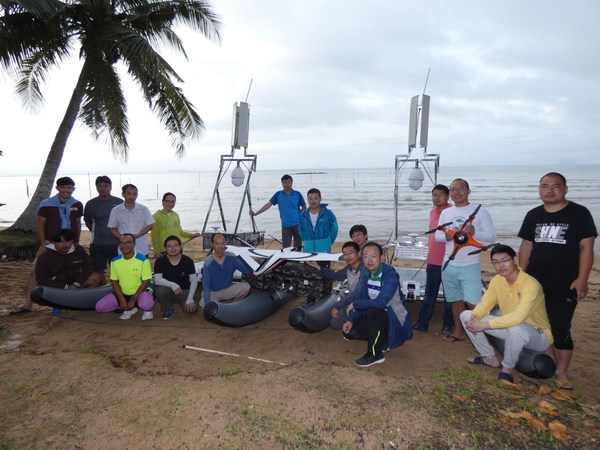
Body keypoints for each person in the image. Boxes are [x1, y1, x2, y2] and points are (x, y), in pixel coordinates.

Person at [518, 172, 597, 390]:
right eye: (544, 186)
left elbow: (586, 248)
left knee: (561, 327)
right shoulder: (533, 215)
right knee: (539, 325)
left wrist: (582, 279)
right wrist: (520, 278)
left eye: (555, 186)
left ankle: (562, 372)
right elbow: (526, 247)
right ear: (539, 189)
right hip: (535, 282)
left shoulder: (579, 214)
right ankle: (547, 360)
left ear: (565, 189)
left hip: (565, 283)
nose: (549, 190)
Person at [459, 245, 553, 384]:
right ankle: (488, 357)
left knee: (516, 328)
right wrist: (475, 317)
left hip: (538, 335)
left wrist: (484, 325)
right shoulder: (498, 280)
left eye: (504, 260)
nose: (500, 265)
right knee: (466, 315)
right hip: (510, 327)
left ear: (514, 259)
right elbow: (485, 304)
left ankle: (507, 369)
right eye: (496, 262)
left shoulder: (530, 284)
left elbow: (518, 317)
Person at [435, 178, 496, 342]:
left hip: (470, 265)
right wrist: (446, 236)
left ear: (469, 191)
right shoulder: (446, 212)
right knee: (455, 300)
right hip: (449, 264)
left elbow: (491, 237)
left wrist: (475, 232)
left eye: (461, 189)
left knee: (473, 303)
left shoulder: (480, 211)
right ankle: (458, 331)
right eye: (453, 189)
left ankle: (482, 333)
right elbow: (437, 235)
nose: (457, 192)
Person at [342, 242, 412, 367]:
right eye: (366, 256)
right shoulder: (367, 274)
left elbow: (381, 303)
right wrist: (351, 320)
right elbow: (364, 298)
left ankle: (374, 354)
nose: (369, 260)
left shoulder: (390, 275)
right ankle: (384, 339)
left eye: (373, 256)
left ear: (382, 258)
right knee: (350, 332)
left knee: (374, 310)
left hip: (395, 319)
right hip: (378, 318)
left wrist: (355, 304)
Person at [22, 176, 84, 310]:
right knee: (34, 272)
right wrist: (43, 244)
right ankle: (27, 304)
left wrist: (77, 242)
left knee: (68, 272)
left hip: (70, 244)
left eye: (69, 187)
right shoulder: (46, 204)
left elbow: (78, 224)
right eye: (63, 187)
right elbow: (40, 225)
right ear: (57, 188)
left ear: (73, 189)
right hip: (51, 243)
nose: (66, 190)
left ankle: (64, 302)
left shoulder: (77, 204)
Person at [413, 184, 454, 334]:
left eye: (440, 195)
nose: (437, 198)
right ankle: (423, 323)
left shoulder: (452, 212)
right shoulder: (432, 212)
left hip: (449, 261)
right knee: (430, 294)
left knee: (450, 295)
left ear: (448, 196)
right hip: (432, 261)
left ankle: (448, 325)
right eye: (434, 195)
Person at [306, 241, 365, 329]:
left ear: (359, 253)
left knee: (353, 329)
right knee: (335, 324)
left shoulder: (364, 269)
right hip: (352, 300)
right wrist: (318, 266)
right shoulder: (349, 268)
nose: (348, 256)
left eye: (351, 252)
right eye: (345, 254)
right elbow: (336, 276)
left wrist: (337, 306)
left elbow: (357, 293)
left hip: (364, 301)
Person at [95, 234, 155, 320]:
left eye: (128, 242)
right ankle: (131, 308)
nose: (124, 245)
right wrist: (121, 299)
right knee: (100, 308)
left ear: (134, 244)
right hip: (124, 293)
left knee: (146, 305)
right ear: (119, 245)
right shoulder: (115, 261)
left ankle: (145, 309)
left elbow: (146, 281)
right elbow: (114, 282)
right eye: (121, 243)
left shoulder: (143, 260)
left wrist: (133, 300)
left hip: (140, 293)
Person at [83, 176, 123, 284]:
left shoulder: (119, 202)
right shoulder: (91, 203)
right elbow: (87, 220)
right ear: (96, 187)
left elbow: (124, 221)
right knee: (98, 271)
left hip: (116, 243)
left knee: (118, 270)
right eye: (100, 186)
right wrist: (96, 231)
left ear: (110, 187)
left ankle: (117, 292)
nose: (103, 188)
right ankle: (103, 291)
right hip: (97, 243)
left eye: (105, 185)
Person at [250, 174, 306, 249]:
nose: (287, 184)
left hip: (298, 225)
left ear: (292, 183)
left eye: (289, 182)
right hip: (286, 226)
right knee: (286, 248)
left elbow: (304, 206)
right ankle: (287, 260)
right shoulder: (278, 194)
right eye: (284, 182)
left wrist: (301, 216)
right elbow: (268, 205)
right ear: (282, 183)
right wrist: (256, 213)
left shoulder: (297, 194)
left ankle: (296, 261)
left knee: (298, 247)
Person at [35, 228, 102, 290]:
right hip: (56, 287)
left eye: (67, 241)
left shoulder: (79, 250)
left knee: (96, 277)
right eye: (60, 242)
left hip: (77, 284)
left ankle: (82, 299)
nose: (64, 245)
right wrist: (65, 287)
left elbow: (88, 267)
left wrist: (77, 283)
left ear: (72, 240)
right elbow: (42, 280)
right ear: (53, 242)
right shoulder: (45, 256)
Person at [153, 235, 199, 319]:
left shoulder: (187, 260)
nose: (172, 248)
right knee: (160, 291)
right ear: (165, 249)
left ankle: (184, 301)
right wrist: (173, 285)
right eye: (169, 246)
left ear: (180, 247)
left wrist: (190, 298)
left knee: (192, 310)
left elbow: (194, 280)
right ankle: (167, 308)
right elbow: (157, 280)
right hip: (168, 291)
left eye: (175, 245)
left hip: (184, 291)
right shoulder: (160, 261)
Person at [201, 233, 253, 306]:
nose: (220, 247)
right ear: (212, 245)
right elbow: (206, 286)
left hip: (227, 290)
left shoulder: (232, 257)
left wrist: (256, 270)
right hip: (212, 293)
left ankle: (232, 305)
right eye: (217, 244)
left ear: (225, 244)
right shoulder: (208, 262)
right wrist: (207, 302)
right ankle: (215, 305)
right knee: (205, 304)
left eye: (222, 243)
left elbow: (246, 270)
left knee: (246, 286)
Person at [108, 184, 154, 257]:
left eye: (134, 194)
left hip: (141, 247)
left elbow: (150, 225)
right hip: (124, 248)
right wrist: (122, 239)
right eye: (129, 194)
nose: (132, 197)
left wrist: (137, 235)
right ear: (123, 194)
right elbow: (112, 228)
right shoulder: (116, 210)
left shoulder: (143, 209)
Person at [151, 192, 199, 256]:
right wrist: (156, 251)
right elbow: (154, 236)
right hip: (164, 250)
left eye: (173, 202)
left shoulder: (175, 215)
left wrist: (192, 235)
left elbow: (180, 232)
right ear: (163, 202)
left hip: (178, 248)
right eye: (167, 201)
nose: (170, 204)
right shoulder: (156, 216)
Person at [298, 188, 338, 253]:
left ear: (320, 199)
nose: (313, 201)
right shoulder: (303, 215)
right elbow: (301, 231)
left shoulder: (328, 213)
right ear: (307, 199)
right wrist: (307, 241)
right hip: (308, 250)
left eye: (316, 198)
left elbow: (334, 229)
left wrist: (328, 242)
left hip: (324, 250)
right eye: (310, 198)